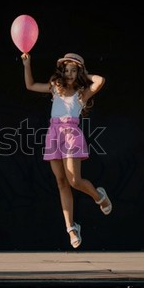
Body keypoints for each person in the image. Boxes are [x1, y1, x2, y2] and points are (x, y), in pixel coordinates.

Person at [21, 52, 112, 248]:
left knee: (74, 180)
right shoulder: (56, 89)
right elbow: (30, 85)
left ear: (78, 72)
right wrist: (27, 64)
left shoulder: (81, 93)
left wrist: (84, 72)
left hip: (71, 135)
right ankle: (71, 227)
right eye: (66, 70)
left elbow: (100, 80)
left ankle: (99, 196)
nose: (69, 74)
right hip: (54, 134)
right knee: (61, 182)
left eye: (73, 70)